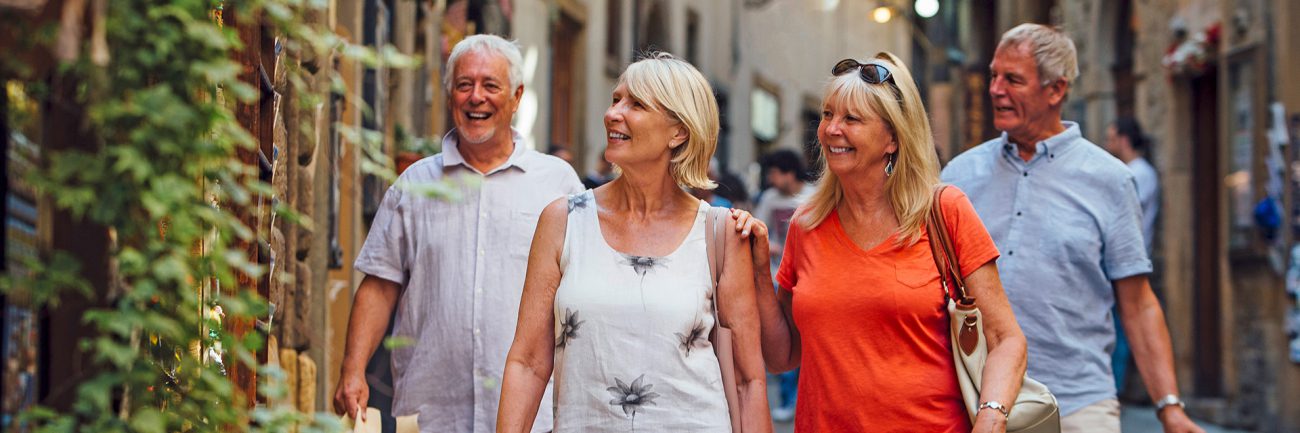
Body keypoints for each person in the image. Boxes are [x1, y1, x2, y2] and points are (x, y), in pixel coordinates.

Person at [733, 52, 1027, 433]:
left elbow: (1006, 338)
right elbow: (782, 356)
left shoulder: (944, 210)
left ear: (892, 138)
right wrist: (759, 273)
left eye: (851, 118)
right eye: (827, 114)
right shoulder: (807, 224)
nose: (831, 129)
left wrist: (990, 416)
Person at [941, 24, 1203, 433]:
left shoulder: (1110, 180)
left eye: (1013, 79)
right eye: (994, 75)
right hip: (975, 399)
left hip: (1078, 405)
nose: (995, 89)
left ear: (1056, 90)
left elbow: (1138, 304)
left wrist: (1169, 407)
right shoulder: (959, 175)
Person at [497, 53, 772, 433]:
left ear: (678, 131)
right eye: (615, 100)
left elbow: (747, 380)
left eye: (636, 104)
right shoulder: (564, 221)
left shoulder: (721, 233)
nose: (613, 114)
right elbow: (527, 362)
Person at [332, 34, 583, 433]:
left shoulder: (557, 183)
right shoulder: (414, 186)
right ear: (450, 95)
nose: (475, 97)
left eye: (490, 85)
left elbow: (583, 294)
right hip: (431, 413)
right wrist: (353, 368)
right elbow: (380, 286)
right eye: (464, 85)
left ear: (516, 97)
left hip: (531, 416)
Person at [750, 148, 815, 422]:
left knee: (811, 344)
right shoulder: (769, 198)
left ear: (789, 173)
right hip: (778, 277)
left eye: (775, 173)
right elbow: (758, 228)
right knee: (784, 341)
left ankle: (807, 397)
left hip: (810, 278)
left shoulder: (814, 196)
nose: (772, 179)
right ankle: (790, 400)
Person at [1104, 116, 1159, 393]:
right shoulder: (1132, 172)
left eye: (1112, 137)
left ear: (1124, 140)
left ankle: (1113, 389)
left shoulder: (1139, 174)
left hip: (1126, 261)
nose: (1108, 143)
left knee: (1122, 329)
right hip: (1118, 262)